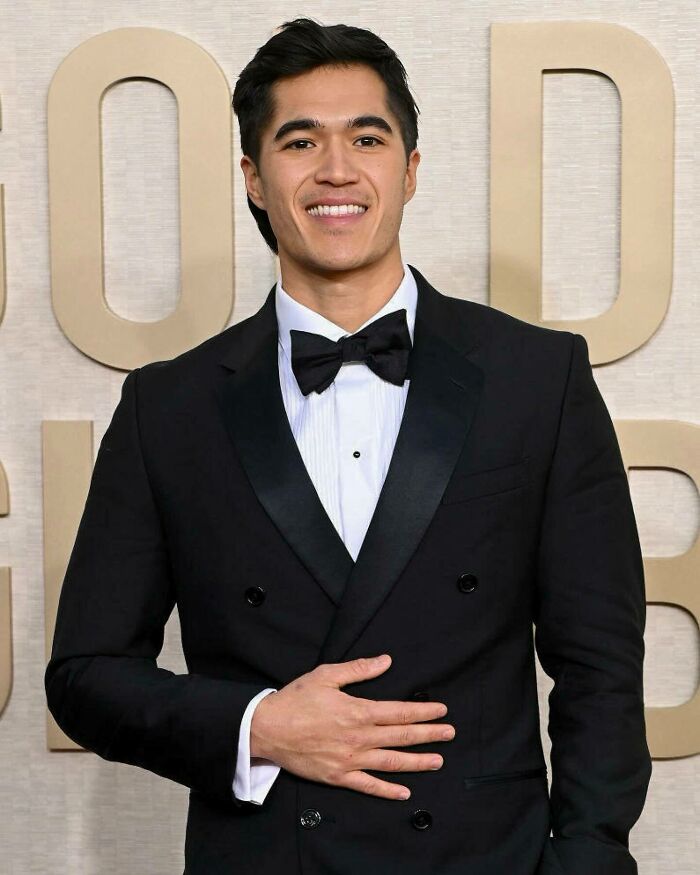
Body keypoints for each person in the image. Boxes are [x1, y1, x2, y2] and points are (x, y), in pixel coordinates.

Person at [45, 17, 652, 875]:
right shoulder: (168, 407)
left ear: (408, 171)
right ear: (255, 179)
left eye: (367, 138)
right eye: (300, 141)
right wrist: (260, 726)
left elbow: (601, 663)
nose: (336, 169)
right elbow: (85, 674)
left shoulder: (537, 378)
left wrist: (587, 859)